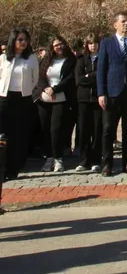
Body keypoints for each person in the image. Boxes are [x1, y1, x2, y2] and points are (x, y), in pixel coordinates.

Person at [97, 11, 127, 177]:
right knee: (108, 129)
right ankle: (107, 164)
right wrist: (101, 92)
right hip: (112, 92)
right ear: (115, 24)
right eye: (123, 21)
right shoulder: (107, 43)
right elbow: (101, 69)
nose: (126, 24)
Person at [0, 28, 39, 180]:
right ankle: (2, 169)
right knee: (3, 134)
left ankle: (13, 169)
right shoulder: (3, 58)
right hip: (4, 98)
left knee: (19, 135)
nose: (23, 42)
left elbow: (35, 79)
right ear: (13, 40)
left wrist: (27, 91)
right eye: (20, 39)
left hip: (23, 99)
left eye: (26, 40)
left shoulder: (31, 58)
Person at [34, 35, 76, 173]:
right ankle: (49, 157)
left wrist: (55, 89)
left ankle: (58, 158)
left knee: (56, 129)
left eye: (61, 44)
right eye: (56, 45)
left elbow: (70, 79)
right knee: (45, 129)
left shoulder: (70, 60)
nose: (59, 47)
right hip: (44, 99)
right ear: (52, 47)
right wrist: (46, 88)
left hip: (61, 98)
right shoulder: (46, 59)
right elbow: (40, 76)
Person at [74, 33, 103, 172]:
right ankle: (84, 160)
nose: (93, 46)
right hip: (83, 99)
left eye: (95, 43)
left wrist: (89, 75)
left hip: (97, 98)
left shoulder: (102, 58)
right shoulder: (81, 60)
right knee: (84, 130)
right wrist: (92, 77)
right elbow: (79, 79)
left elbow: (101, 75)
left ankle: (96, 159)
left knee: (97, 130)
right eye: (90, 43)